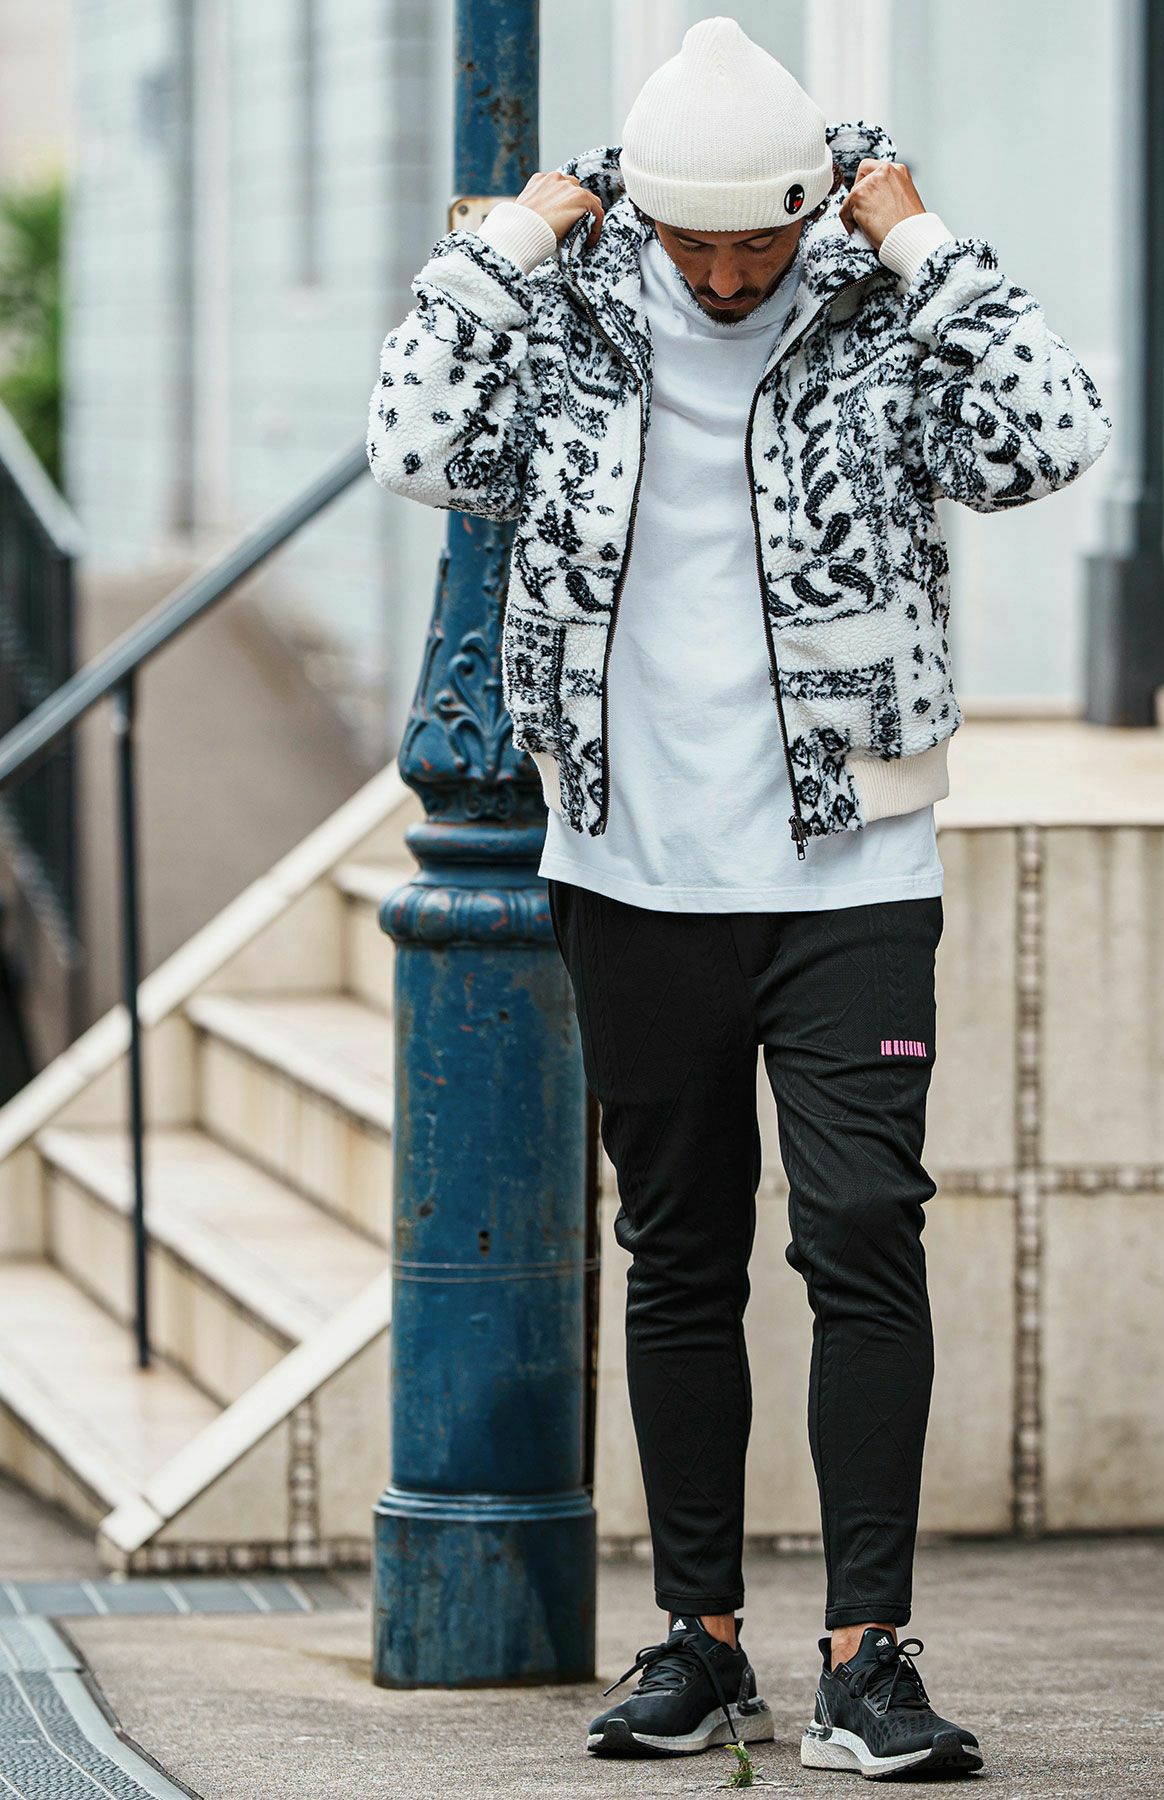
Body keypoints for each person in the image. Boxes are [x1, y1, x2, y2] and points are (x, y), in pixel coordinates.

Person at [367, 14, 1111, 1781]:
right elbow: (412, 437)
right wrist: (518, 235)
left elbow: (1053, 433)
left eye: (753, 243)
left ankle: (867, 1658)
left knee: (862, 1231)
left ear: (806, 210)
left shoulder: (878, 314)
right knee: (680, 1253)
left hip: (852, 869)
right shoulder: (566, 314)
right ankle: (701, 1641)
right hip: (629, 867)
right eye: (688, 242)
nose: (721, 276)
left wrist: (917, 238)